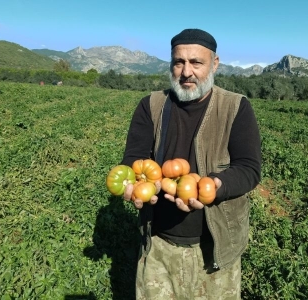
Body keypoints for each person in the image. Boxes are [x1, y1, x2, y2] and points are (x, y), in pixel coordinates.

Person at [121, 28, 261, 299]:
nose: (186, 72)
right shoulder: (150, 105)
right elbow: (133, 159)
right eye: (179, 62)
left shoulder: (236, 108)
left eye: (196, 62)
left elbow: (249, 168)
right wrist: (133, 182)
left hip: (214, 249)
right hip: (159, 243)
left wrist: (215, 186)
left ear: (214, 64)